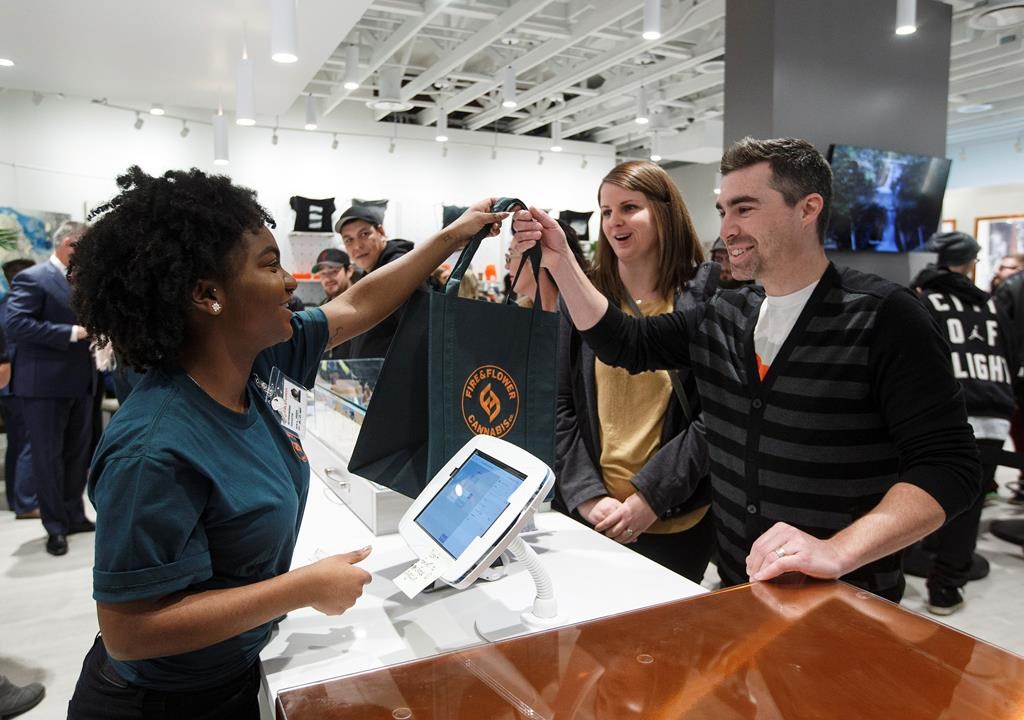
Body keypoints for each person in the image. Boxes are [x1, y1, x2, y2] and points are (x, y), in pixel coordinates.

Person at [64, 166, 507, 719]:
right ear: (208, 294)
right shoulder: (152, 449)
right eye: (270, 265)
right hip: (163, 705)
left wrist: (450, 237)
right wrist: (300, 590)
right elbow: (131, 631)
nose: (291, 282)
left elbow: (356, 307)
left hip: (232, 672)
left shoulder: (256, 360)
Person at [512, 136, 979, 602]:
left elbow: (949, 466)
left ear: (807, 209)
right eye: (723, 211)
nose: (727, 229)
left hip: (844, 598)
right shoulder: (728, 313)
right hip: (740, 586)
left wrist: (838, 551)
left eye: (744, 209)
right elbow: (626, 343)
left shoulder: (885, 316)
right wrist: (562, 260)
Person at [554, 161, 713, 582]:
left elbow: (715, 415)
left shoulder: (707, 295)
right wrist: (586, 495)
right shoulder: (583, 298)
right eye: (606, 211)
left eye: (629, 207)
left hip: (677, 521)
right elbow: (559, 402)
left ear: (665, 211)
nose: (614, 222)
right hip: (593, 518)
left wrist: (651, 497)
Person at [907, 232, 1015, 614]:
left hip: (946, 413)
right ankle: (947, 587)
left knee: (922, 492)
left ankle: (920, 556)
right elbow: (1010, 353)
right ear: (970, 264)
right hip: (994, 413)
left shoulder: (925, 300)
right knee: (970, 505)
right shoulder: (991, 304)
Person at [6, 221, 96, 557]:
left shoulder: (84, 281)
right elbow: (16, 324)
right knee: (47, 457)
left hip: (82, 381)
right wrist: (71, 333)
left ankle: (74, 515)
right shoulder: (33, 278)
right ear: (69, 243)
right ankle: (54, 526)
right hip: (43, 384)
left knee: (76, 454)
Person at [335, 205, 421, 358]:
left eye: (364, 234)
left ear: (380, 232)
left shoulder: (397, 268)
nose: (357, 246)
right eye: (349, 240)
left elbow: (418, 331)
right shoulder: (371, 274)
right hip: (370, 371)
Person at [0, 257, 37, 519]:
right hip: (19, 384)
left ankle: (16, 499)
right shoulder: (19, 307)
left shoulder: (4, 305)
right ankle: (25, 501)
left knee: (17, 442)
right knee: (27, 442)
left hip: (9, 387)